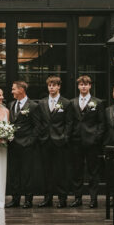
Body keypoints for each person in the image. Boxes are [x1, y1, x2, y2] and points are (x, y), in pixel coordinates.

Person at [69, 75, 104, 207]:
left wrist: (96, 138)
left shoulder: (98, 102)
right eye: (81, 84)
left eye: (86, 84)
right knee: (77, 170)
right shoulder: (72, 102)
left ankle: (93, 199)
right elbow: (70, 121)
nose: (83, 86)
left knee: (93, 171)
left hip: (92, 142)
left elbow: (101, 123)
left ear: (90, 86)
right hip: (76, 141)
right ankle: (78, 198)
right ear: (78, 86)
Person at [37, 75, 73, 207]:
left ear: (59, 86)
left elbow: (69, 123)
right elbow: (40, 122)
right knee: (47, 171)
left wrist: (65, 137)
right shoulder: (41, 103)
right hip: (45, 141)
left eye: (54, 85)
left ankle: (62, 199)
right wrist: (41, 136)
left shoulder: (66, 103)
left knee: (61, 171)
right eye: (49, 85)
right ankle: (47, 198)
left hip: (60, 141)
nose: (51, 87)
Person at [6, 80, 39, 208]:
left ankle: (28, 200)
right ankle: (15, 199)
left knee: (27, 173)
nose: (12, 91)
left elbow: (37, 126)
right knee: (14, 173)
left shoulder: (33, 106)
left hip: (27, 145)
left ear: (21, 90)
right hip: (13, 144)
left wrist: (30, 141)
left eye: (14, 89)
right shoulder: (11, 104)